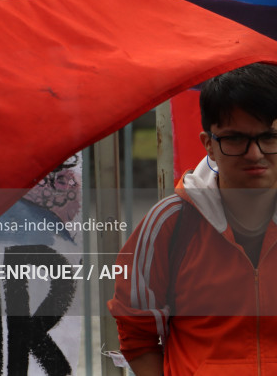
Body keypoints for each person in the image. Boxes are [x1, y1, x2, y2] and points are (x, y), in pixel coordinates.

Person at [108, 63, 277, 376]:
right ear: (208, 144)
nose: (255, 154)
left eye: (269, 137)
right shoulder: (168, 224)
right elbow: (136, 336)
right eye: (235, 139)